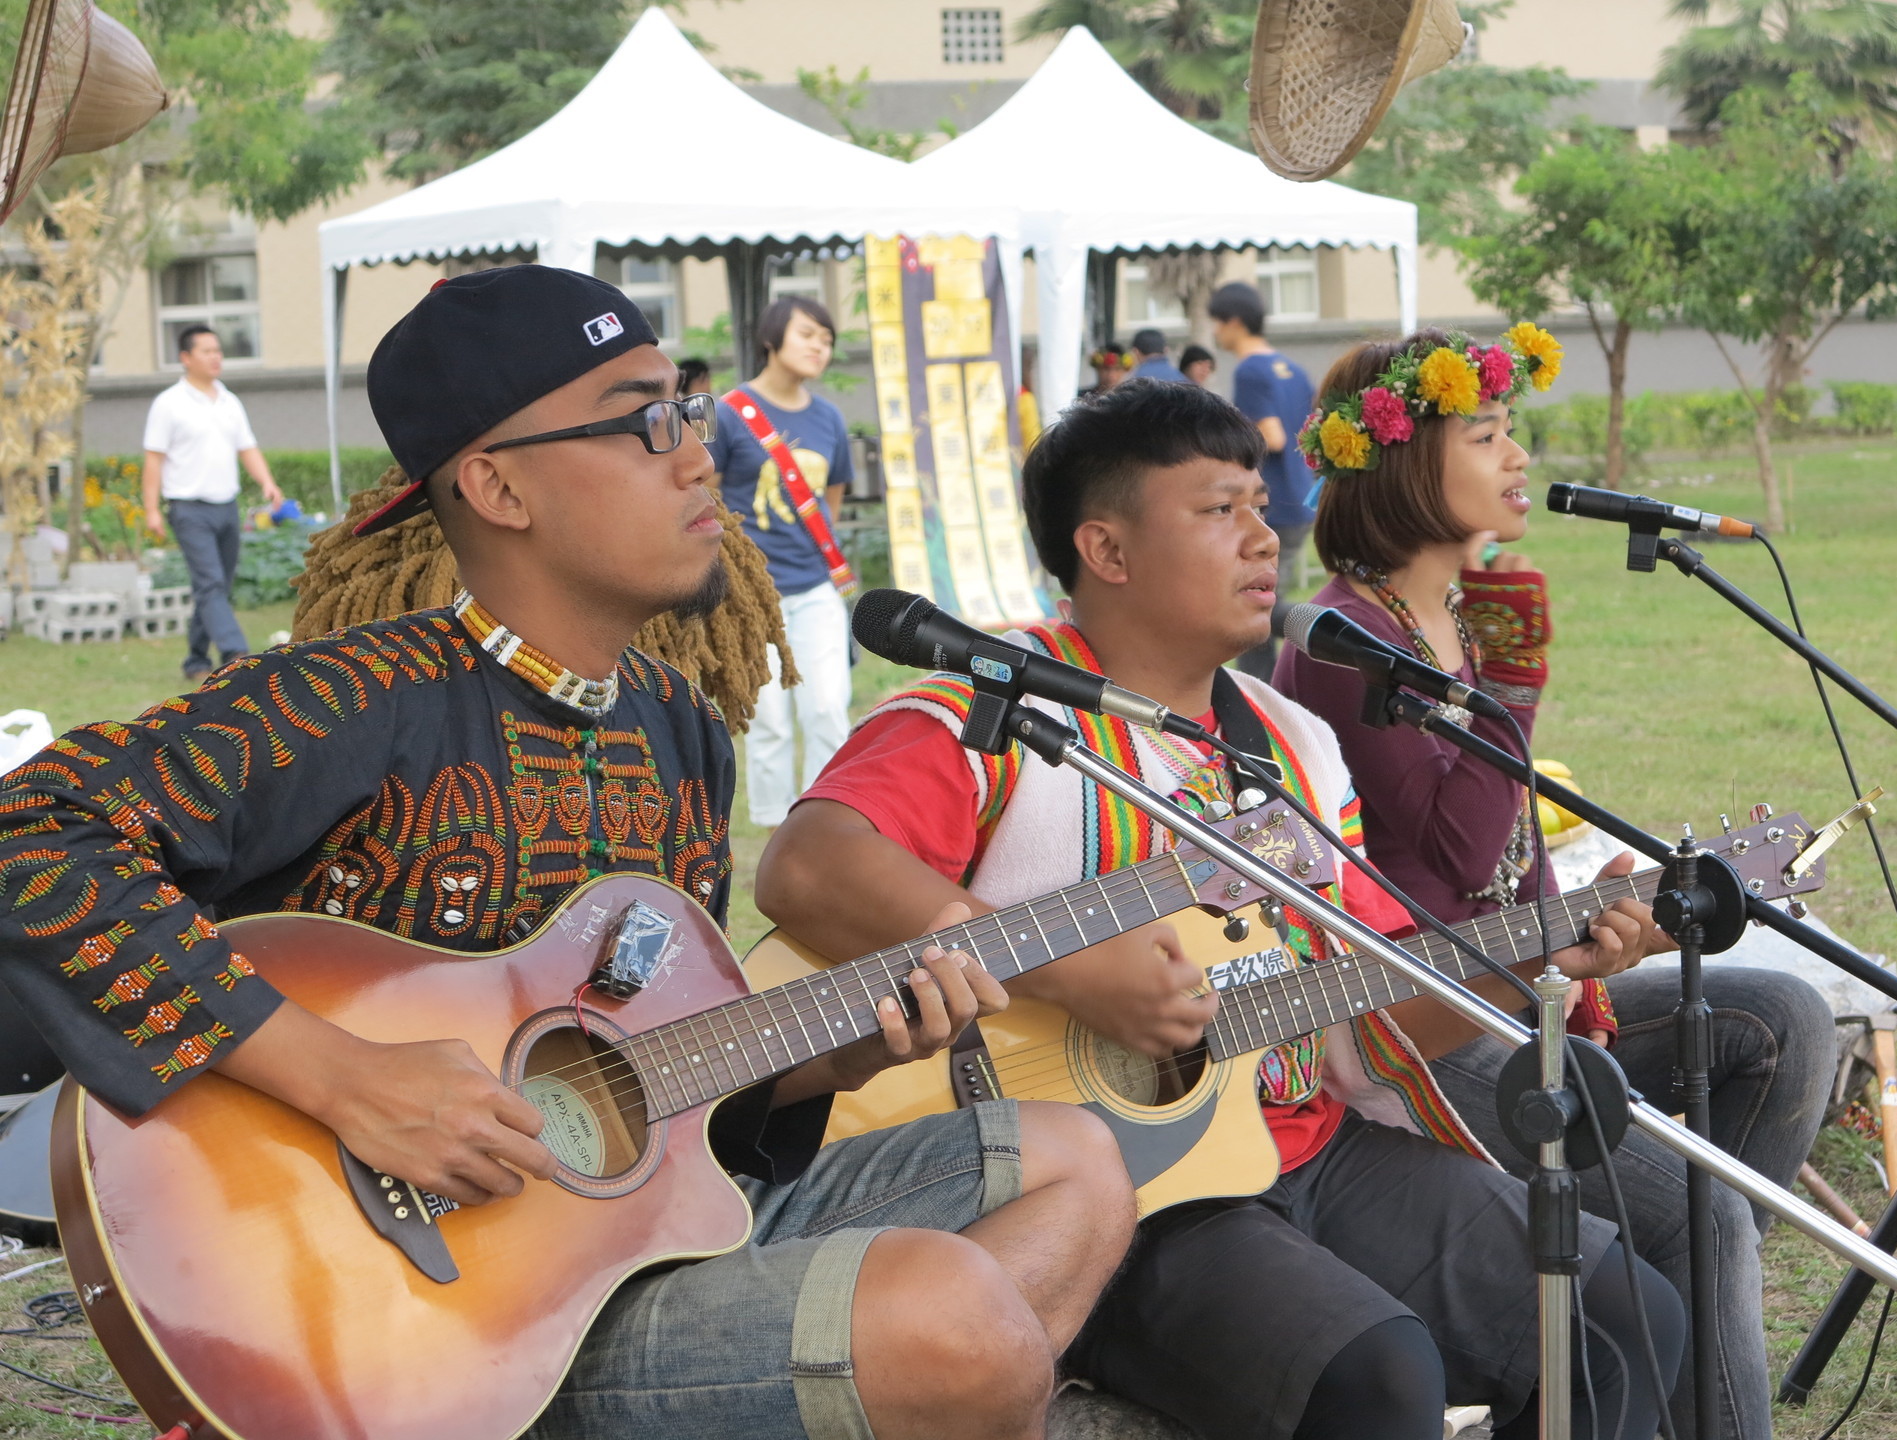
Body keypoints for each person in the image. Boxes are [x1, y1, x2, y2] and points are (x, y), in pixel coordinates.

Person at [0, 267, 1136, 1440]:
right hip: (417, 1313)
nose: (698, 456)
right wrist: (344, 1077)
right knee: (956, 1325)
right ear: (496, 485)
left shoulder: (680, 728)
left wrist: (836, 1050)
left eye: (686, 410)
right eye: (644, 421)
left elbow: (653, 1073)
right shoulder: (344, 701)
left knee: (1076, 1163)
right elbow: (29, 837)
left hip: (623, 1247)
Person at [758, 380, 1684, 1440]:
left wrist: (1546, 959)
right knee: (1380, 1379)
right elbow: (808, 865)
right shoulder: (993, 702)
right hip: (1100, 1191)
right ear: (1106, 551)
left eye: (1259, 502)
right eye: (1218, 510)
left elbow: (1374, 1015)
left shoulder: (1293, 741)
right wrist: (1066, 973)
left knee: (1621, 1319)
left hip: (1303, 1140)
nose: (1264, 534)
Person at [1276, 325, 1834, 1440]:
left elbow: (1500, 867)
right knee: (1700, 1203)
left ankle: (1651, 1351)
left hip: (1522, 984)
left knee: (1784, 1022)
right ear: (1401, 467)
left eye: (1512, 432)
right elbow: (1463, 860)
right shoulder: (1351, 642)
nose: (1517, 457)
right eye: (1485, 434)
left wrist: (1590, 908)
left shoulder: (1448, 617)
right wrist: (1519, 688)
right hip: (1425, 1029)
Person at [706, 296, 858, 828]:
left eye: (827, 339)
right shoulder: (730, 413)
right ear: (772, 339)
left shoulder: (829, 419)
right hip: (751, 596)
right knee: (768, 720)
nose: (820, 346)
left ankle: (825, 820)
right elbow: (709, 497)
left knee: (827, 709)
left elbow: (832, 496)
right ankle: (774, 825)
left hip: (815, 589)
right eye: (808, 335)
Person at [142, 324, 286, 680]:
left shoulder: (229, 401)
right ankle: (235, 652)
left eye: (218, 350)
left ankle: (194, 659)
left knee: (216, 586)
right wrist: (150, 509)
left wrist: (267, 482)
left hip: (226, 506)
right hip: (188, 508)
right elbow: (153, 460)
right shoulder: (169, 404)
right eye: (207, 351)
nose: (215, 357)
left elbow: (247, 448)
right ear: (186, 358)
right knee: (209, 583)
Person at [1208, 281, 1316, 677]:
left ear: (1234, 322)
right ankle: (1258, 693)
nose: (1216, 333)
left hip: (1273, 506)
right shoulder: (1292, 368)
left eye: (1217, 323)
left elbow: (1271, 436)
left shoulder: (1251, 370)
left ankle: (1328, 623)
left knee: (1255, 605)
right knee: (1257, 602)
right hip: (1301, 496)